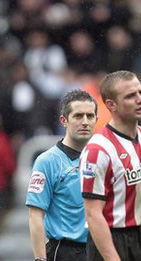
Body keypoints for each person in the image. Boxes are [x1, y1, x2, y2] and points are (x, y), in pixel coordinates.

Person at [79, 70, 141, 261]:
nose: (140, 99)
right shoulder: (97, 150)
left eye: (140, 92)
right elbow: (93, 214)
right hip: (114, 239)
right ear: (111, 105)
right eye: (130, 96)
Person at [26, 90, 98, 261]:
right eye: (78, 116)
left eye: (90, 116)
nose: (85, 122)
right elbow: (35, 215)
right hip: (65, 251)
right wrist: (40, 259)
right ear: (63, 121)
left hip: (100, 248)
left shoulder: (104, 156)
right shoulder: (47, 161)